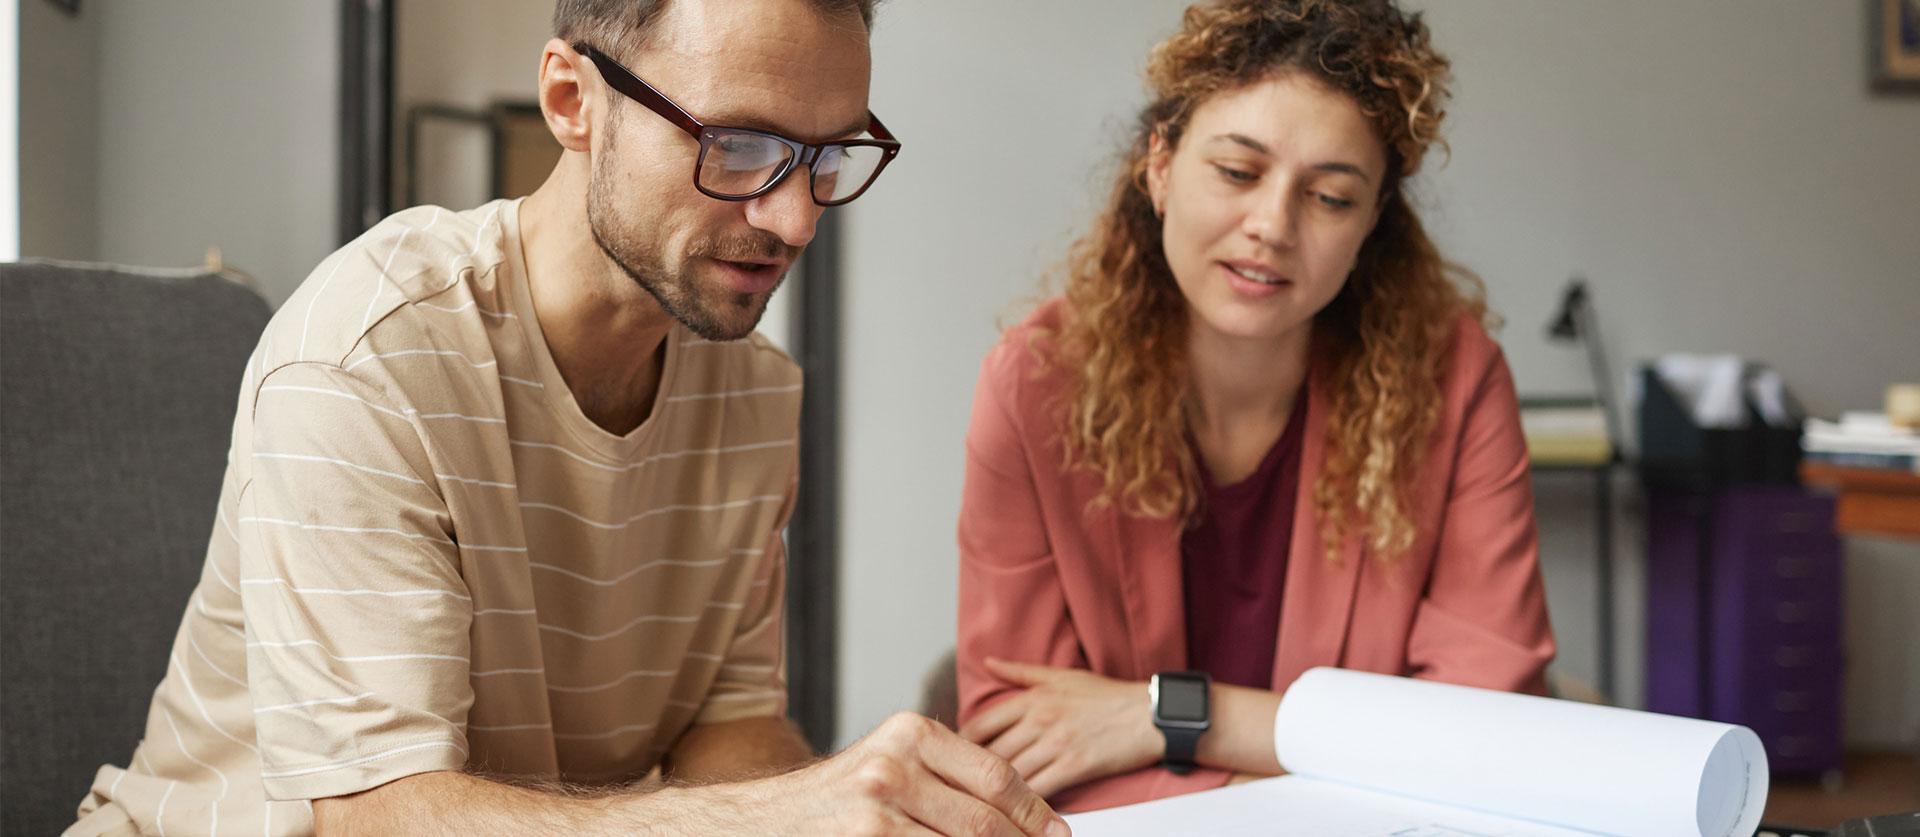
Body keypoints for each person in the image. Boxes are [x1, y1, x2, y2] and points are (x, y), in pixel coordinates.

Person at [67, 1, 1068, 836]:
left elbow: (726, 727)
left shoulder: (755, 389)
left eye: (827, 154)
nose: (795, 217)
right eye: (739, 146)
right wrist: (782, 815)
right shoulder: (367, 358)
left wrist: (834, 812)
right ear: (571, 101)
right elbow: (376, 816)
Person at [954, 0, 1557, 813]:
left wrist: (1170, 715)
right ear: (1160, 166)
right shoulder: (1033, 385)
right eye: (1238, 172)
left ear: (1372, 222)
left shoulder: (1458, 382)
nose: (1272, 225)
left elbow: (1487, 732)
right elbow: (1016, 742)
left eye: (1331, 198)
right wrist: (1298, 778)